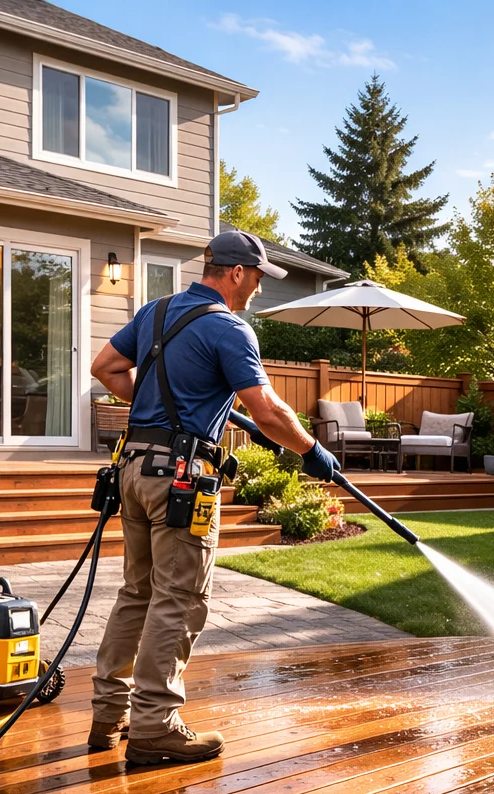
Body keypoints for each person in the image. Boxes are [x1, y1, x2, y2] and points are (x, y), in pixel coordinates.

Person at [88, 230, 339, 765]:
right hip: (181, 478)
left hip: (133, 467)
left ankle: (109, 715)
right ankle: (155, 725)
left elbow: (105, 368)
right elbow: (268, 411)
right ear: (234, 273)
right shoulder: (229, 327)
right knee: (177, 598)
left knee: (138, 592)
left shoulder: (155, 313)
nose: (256, 292)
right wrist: (312, 450)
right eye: (256, 279)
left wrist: (163, 405)